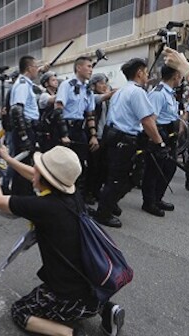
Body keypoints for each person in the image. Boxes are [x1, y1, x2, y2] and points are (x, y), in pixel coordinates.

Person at [0, 146, 125, 336]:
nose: (34, 170)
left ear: (45, 178)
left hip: (69, 297)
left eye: (38, 168)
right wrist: (7, 158)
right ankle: (108, 310)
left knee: (20, 311)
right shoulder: (73, 197)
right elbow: (35, 175)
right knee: (81, 292)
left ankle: (70, 334)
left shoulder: (44, 207)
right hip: (96, 288)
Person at [94, 58, 167, 228]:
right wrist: (159, 143)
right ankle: (103, 213)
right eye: (146, 71)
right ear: (139, 72)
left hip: (112, 136)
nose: (147, 75)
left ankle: (109, 203)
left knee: (115, 177)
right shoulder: (137, 92)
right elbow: (147, 121)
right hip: (124, 140)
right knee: (124, 178)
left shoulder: (121, 91)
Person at [141, 65, 184, 217]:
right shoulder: (158, 94)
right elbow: (151, 120)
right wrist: (158, 141)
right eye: (181, 74)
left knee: (169, 169)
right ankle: (149, 202)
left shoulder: (170, 93)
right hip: (160, 135)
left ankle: (158, 198)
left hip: (171, 136)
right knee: (154, 171)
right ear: (175, 75)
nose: (182, 78)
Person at [55, 56, 98, 203]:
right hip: (66, 128)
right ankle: (59, 199)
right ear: (78, 68)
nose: (91, 69)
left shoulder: (88, 90)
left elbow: (90, 115)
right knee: (63, 165)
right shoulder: (67, 85)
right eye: (88, 66)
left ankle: (76, 200)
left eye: (92, 67)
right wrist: (64, 134)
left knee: (80, 166)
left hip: (80, 130)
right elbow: (58, 109)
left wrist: (93, 136)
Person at [9, 55, 42, 196]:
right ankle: (21, 197)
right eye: (36, 67)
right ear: (29, 68)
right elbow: (17, 111)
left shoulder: (26, 83)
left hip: (30, 128)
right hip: (25, 129)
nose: (37, 70)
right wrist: (24, 136)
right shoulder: (22, 84)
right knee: (23, 164)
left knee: (27, 163)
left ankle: (23, 195)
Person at [83, 73, 116, 205]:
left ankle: (96, 191)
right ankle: (87, 193)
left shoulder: (106, 100)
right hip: (94, 136)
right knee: (92, 167)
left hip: (105, 136)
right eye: (101, 83)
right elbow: (103, 97)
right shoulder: (92, 97)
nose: (104, 86)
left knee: (103, 167)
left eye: (105, 83)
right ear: (94, 85)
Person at [37, 71, 66, 152]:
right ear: (46, 84)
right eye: (53, 80)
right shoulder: (44, 96)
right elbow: (53, 99)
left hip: (57, 130)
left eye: (56, 80)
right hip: (48, 132)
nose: (56, 81)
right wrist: (65, 89)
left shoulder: (58, 93)